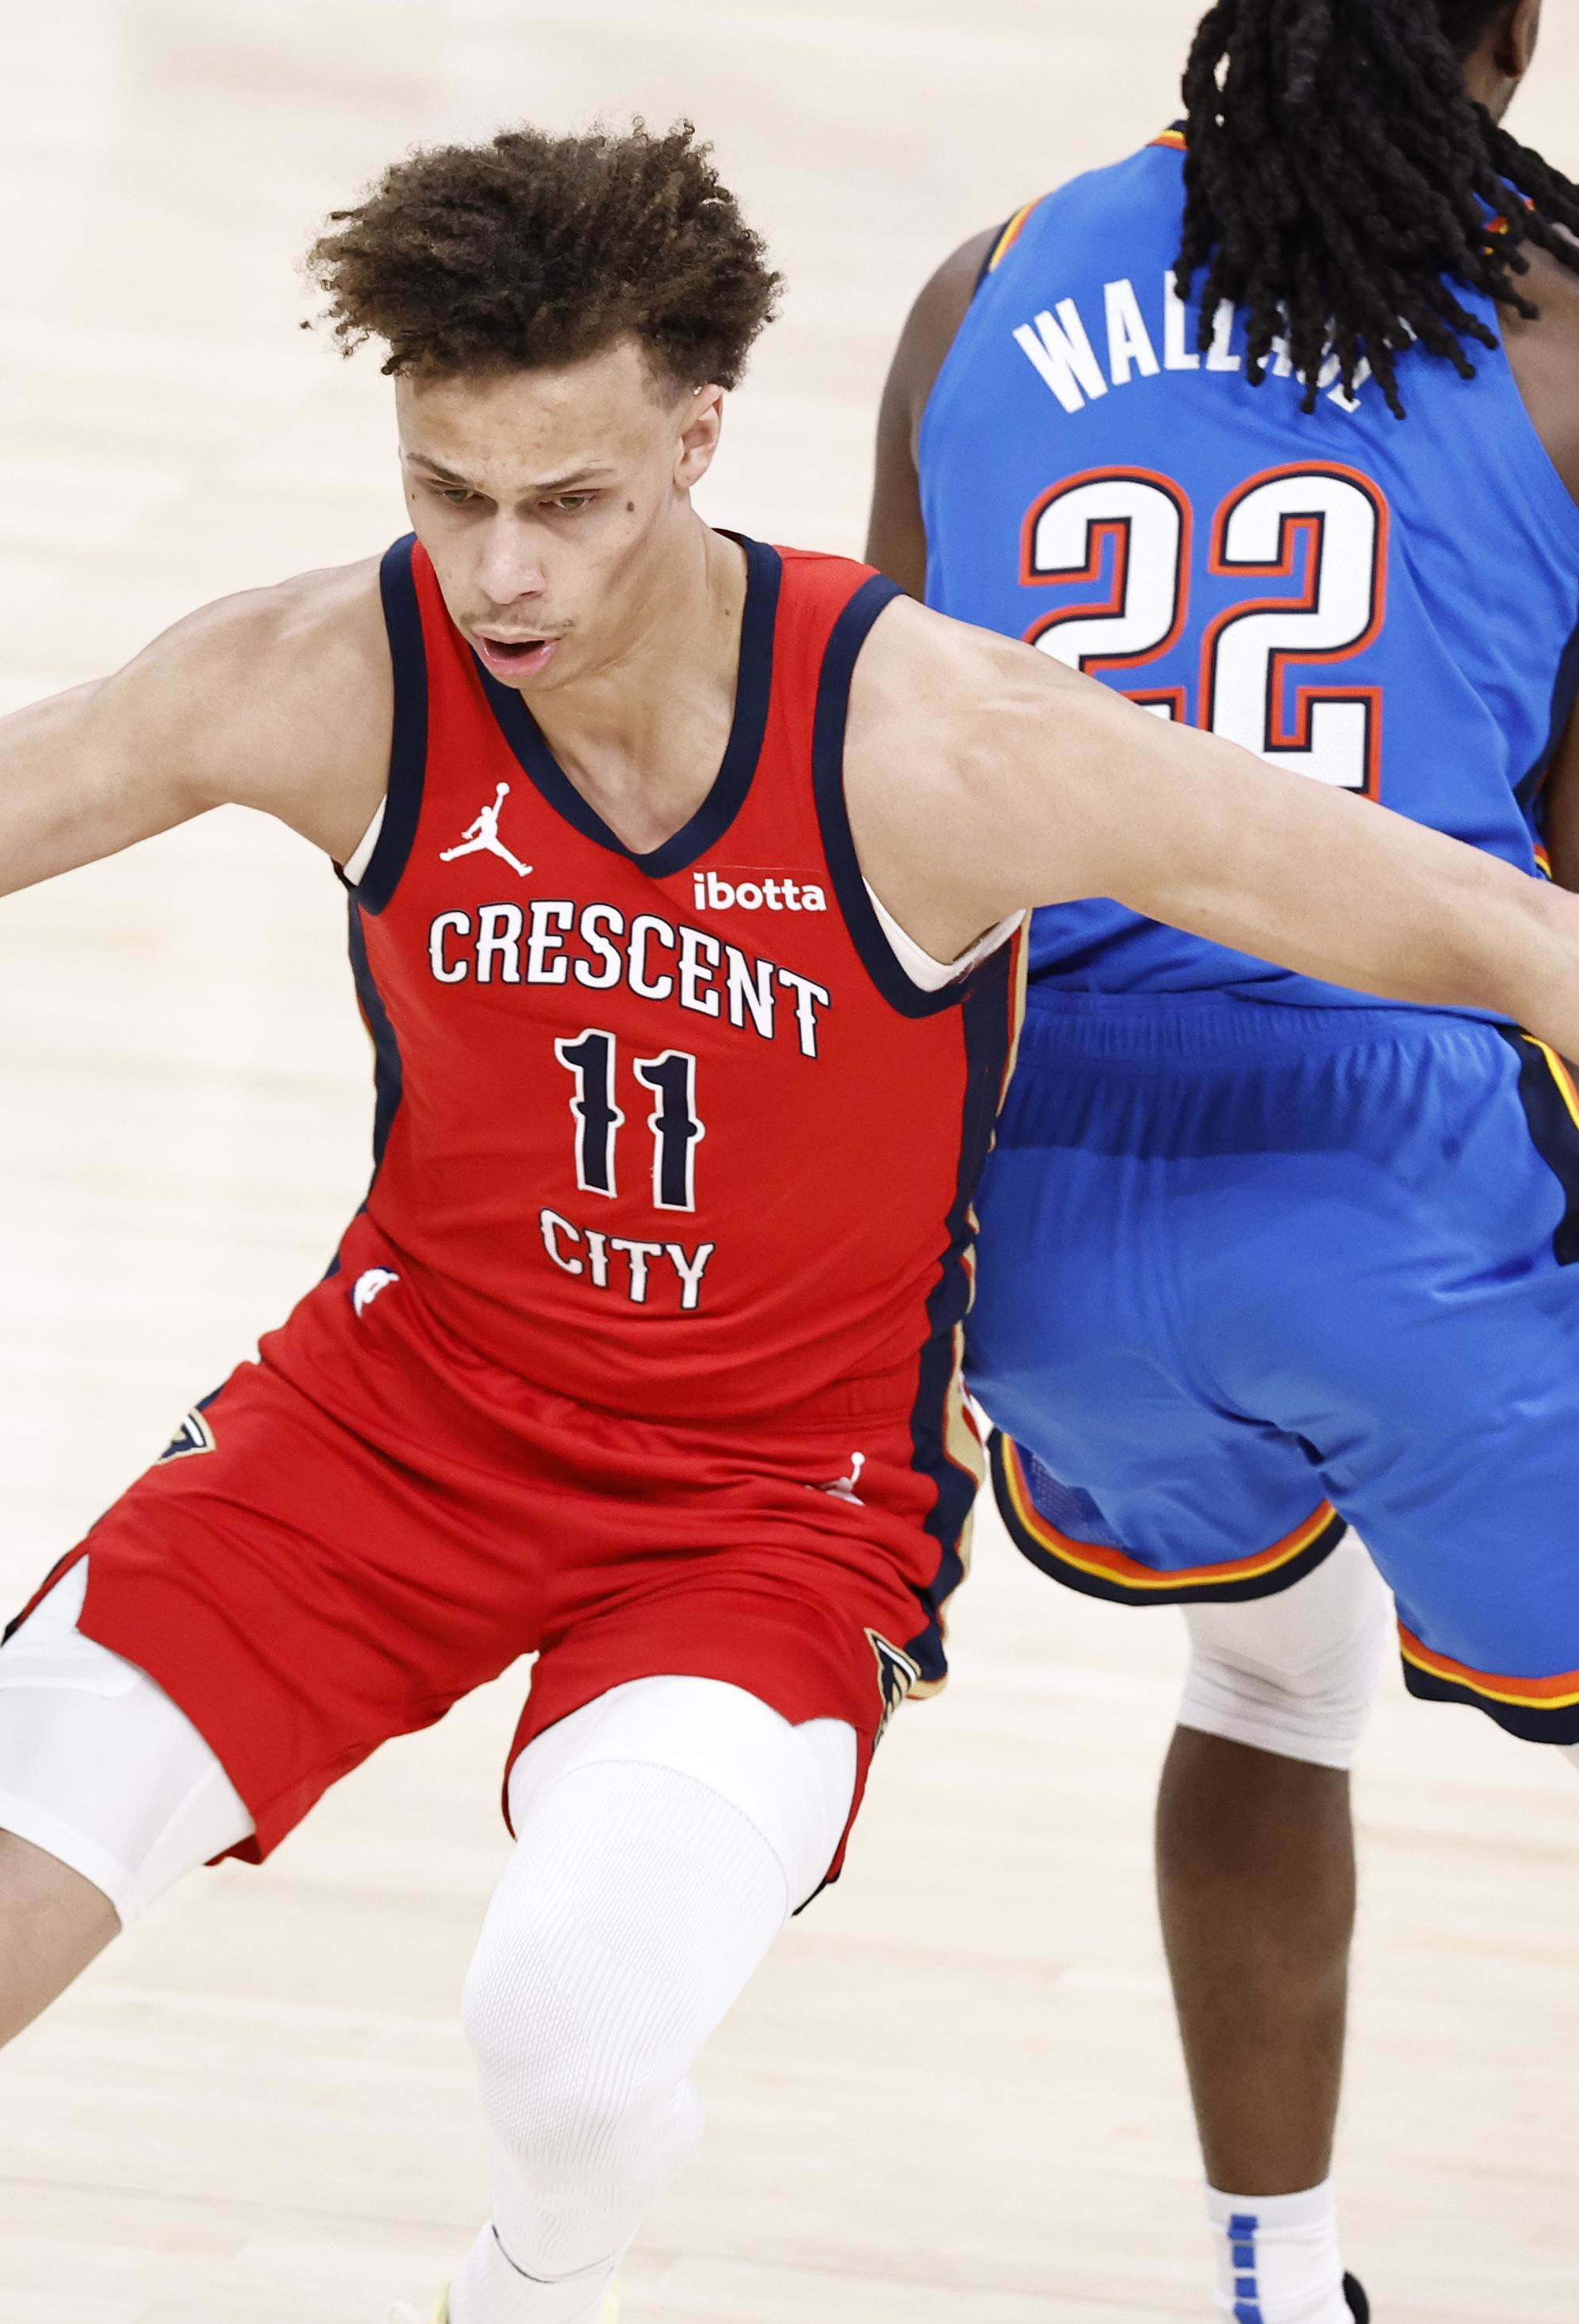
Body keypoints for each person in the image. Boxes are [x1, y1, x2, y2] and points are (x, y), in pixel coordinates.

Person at [0, 128, 1579, 2324]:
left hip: (764, 1513)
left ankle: (513, 2292)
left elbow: (1466, 923)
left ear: (695, 439)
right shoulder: (331, 673)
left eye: (568, 498)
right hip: (390, 1425)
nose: (505, 568)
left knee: (560, 2027)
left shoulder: (931, 739)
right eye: (448, 493)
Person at [871, 4, 1579, 2316]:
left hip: (1036, 1202)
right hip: (1402, 1176)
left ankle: (1274, 2280)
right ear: (1517, 37)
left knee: (1275, 1684)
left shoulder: (977, 287)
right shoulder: (1564, 325)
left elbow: (871, 809)